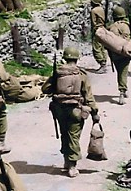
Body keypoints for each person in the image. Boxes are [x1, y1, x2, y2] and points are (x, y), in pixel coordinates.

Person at [42, 46, 99, 176]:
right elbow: (88, 96)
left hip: (59, 110)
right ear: (77, 58)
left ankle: (66, 161)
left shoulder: (59, 72)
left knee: (64, 133)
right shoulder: (81, 75)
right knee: (74, 136)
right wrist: (95, 113)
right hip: (76, 110)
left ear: (65, 58)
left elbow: (45, 89)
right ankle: (72, 166)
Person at [106, 4, 131, 105]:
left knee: (120, 72)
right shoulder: (128, 25)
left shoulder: (111, 27)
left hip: (115, 53)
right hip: (126, 52)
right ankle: (122, 92)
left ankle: (124, 88)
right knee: (123, 72)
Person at [89, 0, 108, 73]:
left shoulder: (93, 11)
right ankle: (104, 61)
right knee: (102, 46)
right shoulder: (101, 8)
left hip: (97, 30)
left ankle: (102, 63)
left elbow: (93, 22)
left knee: (96, 48)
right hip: (103, 29)